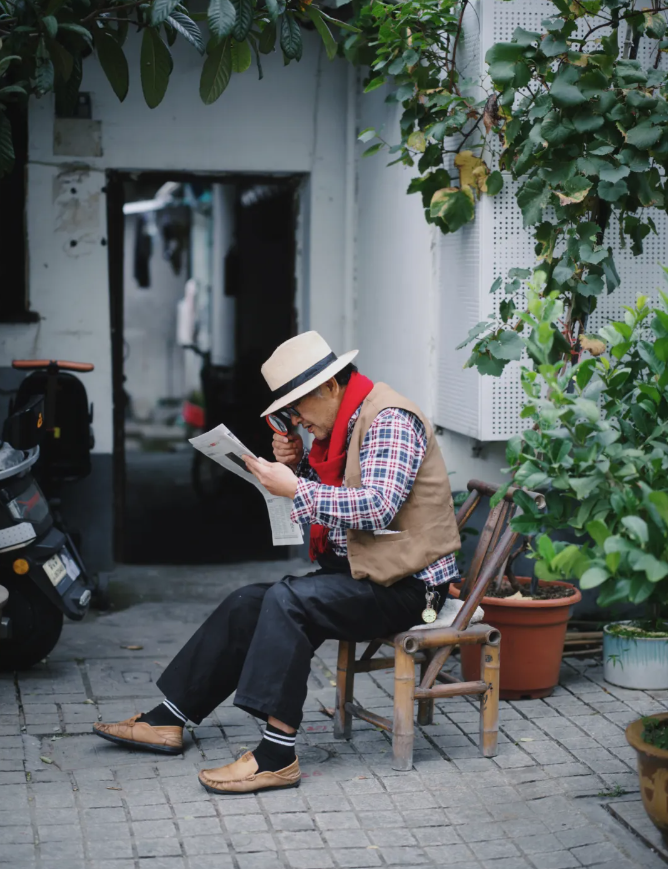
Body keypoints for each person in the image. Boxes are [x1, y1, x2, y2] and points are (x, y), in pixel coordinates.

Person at [93, 331, 461, 794]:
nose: (299, 421)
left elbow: (377, 507)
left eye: (298, 408)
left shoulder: (388, 418)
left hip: (410, 588)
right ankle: (170, 718)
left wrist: (295, 487)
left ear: (329, 387)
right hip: (363, 574)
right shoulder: (340, 425)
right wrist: (301, 467)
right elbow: (339, 496)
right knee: (248, 600)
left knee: (290, 601)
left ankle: (276, 755)